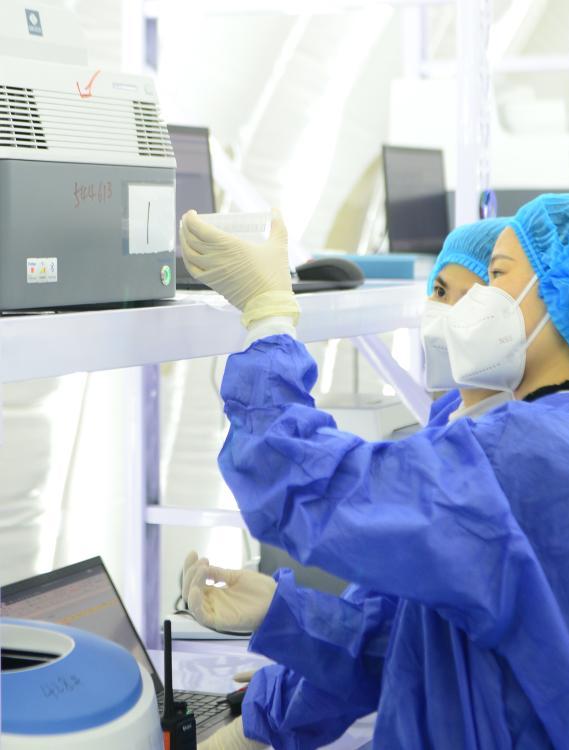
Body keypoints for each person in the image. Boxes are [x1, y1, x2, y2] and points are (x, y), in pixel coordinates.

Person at [180, 193, 569, 749]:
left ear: (562, 294)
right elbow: (422, 638)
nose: (475, 302)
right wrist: (283, 613)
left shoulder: (528, 453)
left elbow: (308, 486)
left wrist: (269, 313)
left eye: (495, 277)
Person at [185, 218, 513, 749]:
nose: (442, 313)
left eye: (471, 295)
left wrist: (269, 316)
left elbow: (294, 477)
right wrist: (281, 623)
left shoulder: (507, 460)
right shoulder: (461, 422)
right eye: (437, 290)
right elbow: (397, 635)